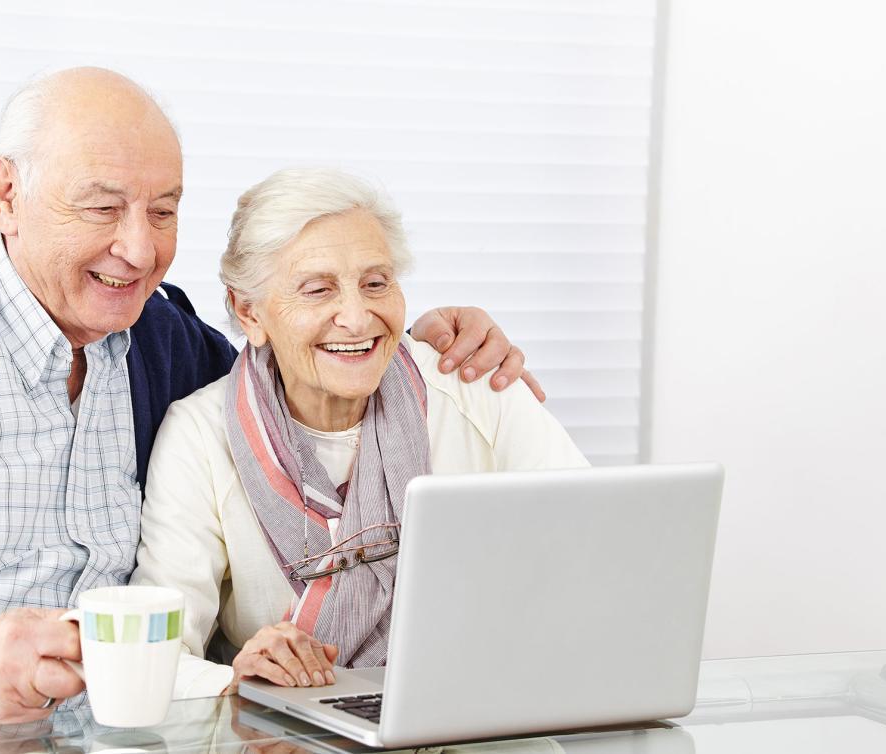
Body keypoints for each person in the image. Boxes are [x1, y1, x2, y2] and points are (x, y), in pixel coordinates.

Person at [0, 68, 539, 746]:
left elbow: (286, 381)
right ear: (6, 193)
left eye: (165, 211)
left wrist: (407, 345)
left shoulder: (167, 344)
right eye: (103, 208)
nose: (139, 250)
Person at [130, 168, 588, 697]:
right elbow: (155, 653)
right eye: (318, 289)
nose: (356, 316)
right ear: (248, 311)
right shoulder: (199, 436)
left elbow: (597, 553)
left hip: (485, 701)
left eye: (376, 283)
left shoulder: (475, 387)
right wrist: (237, 679)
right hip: (285, 730)